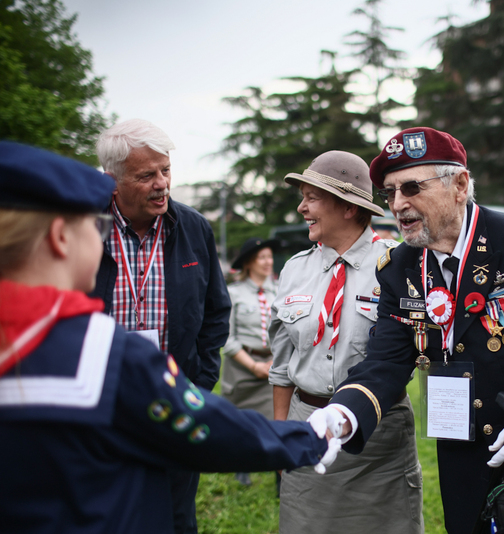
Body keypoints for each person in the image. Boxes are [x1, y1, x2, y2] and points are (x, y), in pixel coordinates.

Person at [0, 141, 337, 534]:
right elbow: (208, 432)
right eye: (95, 227)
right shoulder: (100, 355)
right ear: (60, 238)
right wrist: (311, 434)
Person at [309, 128, 504, 533]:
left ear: (460, 186)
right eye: (390, 192)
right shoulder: (399, 268)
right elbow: (387, 359)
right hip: (464, 460)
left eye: (412, 187)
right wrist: (342, 414)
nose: (398, 204)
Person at [268, 150, 424, 534]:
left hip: (379, 437)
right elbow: (282, 367)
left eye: (312, 198)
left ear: (349, 207)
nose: (302, 208)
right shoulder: (294, 269)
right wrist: (279, 435)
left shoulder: (399, 264)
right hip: (308, 430)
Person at [90, 119, 231, 534]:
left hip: (173, 400)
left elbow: (214, 313)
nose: (162, 184)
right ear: (112, 180)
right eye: (146, 175)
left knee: (175, 516)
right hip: (100, 402)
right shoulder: (83, 226)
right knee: (105, 512)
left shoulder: (192, 228)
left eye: (166, 170)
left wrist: (199, 383)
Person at [222, 237, 280, 487]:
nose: (268, 262)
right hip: (243, 367)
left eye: (270, 256)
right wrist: (253, 365)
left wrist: (273, 362)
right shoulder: (233, 294)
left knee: (277, 421)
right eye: (262, 257)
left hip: (272, 365)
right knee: (242, 421)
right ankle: (242, 464)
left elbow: (286, 332)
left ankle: (279, 474)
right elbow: (227, 338)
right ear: (248, 263)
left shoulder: (279, 292)